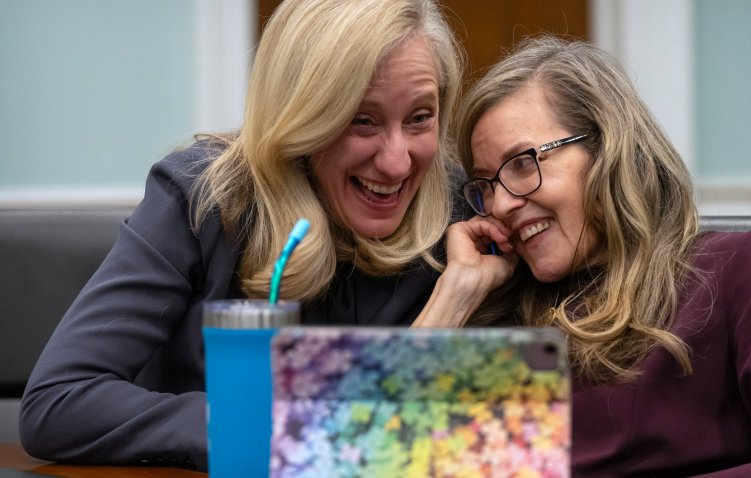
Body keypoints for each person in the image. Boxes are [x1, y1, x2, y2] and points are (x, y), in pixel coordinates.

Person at [20, 0, 463, 471]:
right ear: (301, 115)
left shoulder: (458, 220)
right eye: (361, 119)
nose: (397, 162)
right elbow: (58, 401)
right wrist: (245, 424)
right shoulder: (203, 195)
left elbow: (462, 432)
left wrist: (456, 295)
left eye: (419, 117)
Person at [414, 37, 751, 476]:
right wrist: (453, 296)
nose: (501, 205)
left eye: (522, 164)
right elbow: (369, 462)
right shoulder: (510, 312)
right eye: (485, 186)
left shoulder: (732, 270)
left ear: (607, 148)